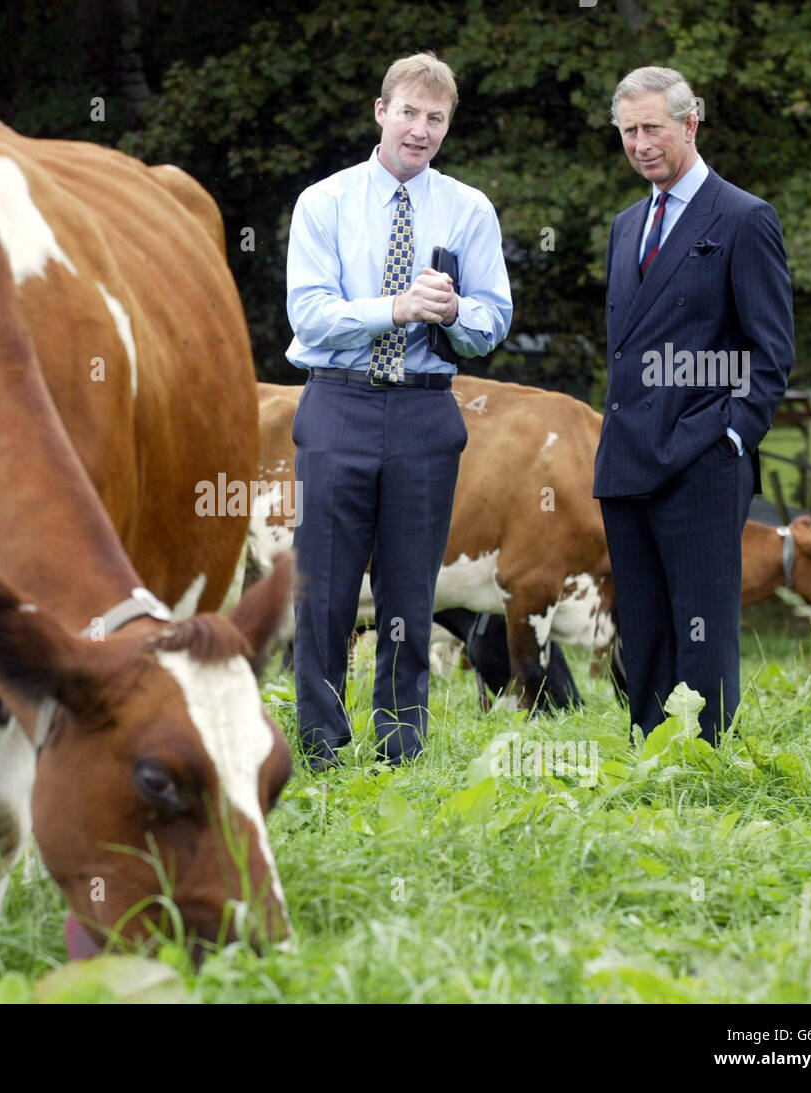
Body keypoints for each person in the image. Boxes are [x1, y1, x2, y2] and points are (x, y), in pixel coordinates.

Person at [286, 52, 512, 768]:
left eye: (435, 118)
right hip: (338, 404)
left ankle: (400, 744)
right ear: (380, 112)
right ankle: (321, 744)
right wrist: (395, 308)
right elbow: (310, 315)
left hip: (424, 411)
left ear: (447, 126)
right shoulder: (324, 202)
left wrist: (455, 311)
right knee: (321, 589)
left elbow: (493, 318)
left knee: (410, 594)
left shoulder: (470, 208)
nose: (420, 129)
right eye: (408, 112)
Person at [594, 66, 794, 746]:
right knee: (642, 629)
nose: (641, 143)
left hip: (702, 465)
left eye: (653, 127)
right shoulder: (625, 228)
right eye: (628, 131)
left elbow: (770, 357)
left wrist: (728, 439)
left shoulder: (743, 218)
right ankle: (649, 762)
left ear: (690, 123)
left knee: (703, 630)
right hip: (625, 466)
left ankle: (705, 768)